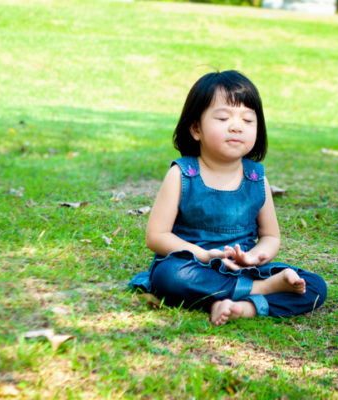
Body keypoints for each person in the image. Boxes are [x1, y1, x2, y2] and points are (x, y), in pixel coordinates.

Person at [129, 70, 327, 326]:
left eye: (247, 120)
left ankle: (241, 307)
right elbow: (156, 237)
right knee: (169, 277)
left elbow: (270, 237)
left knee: (314, 286)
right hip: (193, 265)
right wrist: (203, 255)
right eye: (223, 118)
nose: (236, 126)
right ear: (196, 128)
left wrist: (255, 257)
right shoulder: (183, 174)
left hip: (243, 268)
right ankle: (261, 291)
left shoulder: (256, 179)